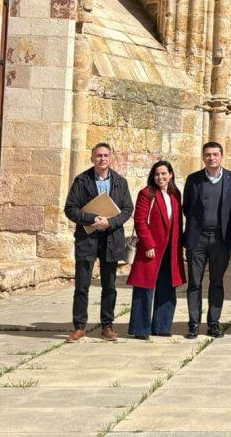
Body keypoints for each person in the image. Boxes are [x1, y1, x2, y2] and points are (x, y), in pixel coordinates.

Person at [63, 142, 134, 342]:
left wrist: (110, 222)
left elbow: (128, 209)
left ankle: (107, 326)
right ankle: (79, 327)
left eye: (105, 155)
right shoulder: (82, 180)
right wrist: (92, 219)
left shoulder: (120, 182)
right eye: (98, 156)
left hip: (111, 238)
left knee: (109, 285)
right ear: (92, 158)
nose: (102, 159)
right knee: (82, 285)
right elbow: (70, 208)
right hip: (88, 237)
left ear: (111, 158)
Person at [182, 141, 231, 339]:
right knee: (194, 282)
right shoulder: (193, 179)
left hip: (220, 239)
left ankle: (214, 322)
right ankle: (193, 323)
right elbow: (187, 206)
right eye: (208, 155)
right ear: (203, 157)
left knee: (217, 281)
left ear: (222, 156)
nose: (211, 158)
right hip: (197, 238)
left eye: (215, 154)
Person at [127, 160, 187, 339]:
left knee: (168, 287)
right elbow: (139, 220)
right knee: (144, 287)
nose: (160, 177)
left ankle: (162, 326)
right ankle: (140, 329)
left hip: (171, 248)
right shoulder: (147, 194)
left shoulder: (175, 194)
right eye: (157, 174)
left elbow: (177, 222)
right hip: (152, 248)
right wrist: (148, 244)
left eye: (163, 173)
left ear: (170, 175)